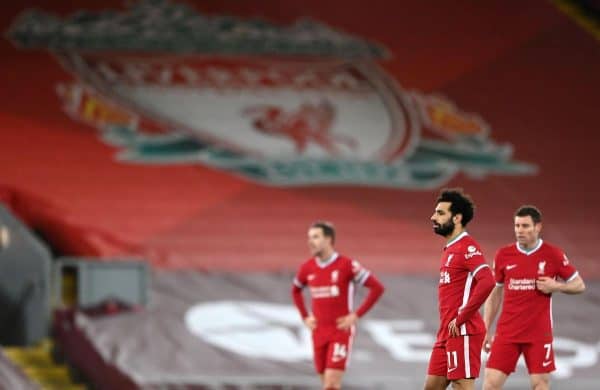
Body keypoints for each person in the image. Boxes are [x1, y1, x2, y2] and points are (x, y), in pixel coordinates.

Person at [482, 205, 585, 390]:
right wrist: (486, 328)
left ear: (538, 227)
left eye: (525, 226)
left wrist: (557, 286)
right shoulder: (504, 255)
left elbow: (579, 285)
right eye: (517, 226)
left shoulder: (553, 254)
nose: (519, 231)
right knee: (490, 384)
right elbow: (495, 293)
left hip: (538, 334)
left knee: (540, 385)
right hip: (507, 332)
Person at [291, 221, 384, 390]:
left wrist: (356, 316)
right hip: (318, 331)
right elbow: (295, 290)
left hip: (340, 331)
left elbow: (377, 288)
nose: (310, 241)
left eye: (316, 237)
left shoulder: (347, 265)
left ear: (328, 239)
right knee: (326, 383)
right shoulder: (307, 268)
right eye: (309, 237)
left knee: (331, 384)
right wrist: (305, 317)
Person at [425, 188, 495, 390]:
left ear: (456, 218)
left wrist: (462, 316)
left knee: (462, 386)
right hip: (446, 332)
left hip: (463, 331)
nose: (433, 217)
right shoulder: (450, 249)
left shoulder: (467, 247)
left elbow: (487, 280)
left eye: (440, 213)